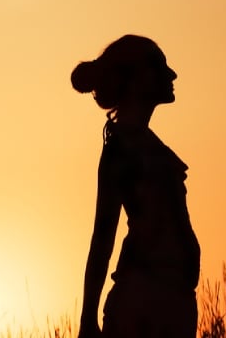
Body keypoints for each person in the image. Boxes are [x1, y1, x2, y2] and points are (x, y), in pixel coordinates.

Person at [73, 35, 200, 338]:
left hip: (173, 302)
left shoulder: (147, 145)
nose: (171, 75)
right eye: (159, 66)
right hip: (142, 307)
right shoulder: (120, 150)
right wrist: (88, 321)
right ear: (132, 79)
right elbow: (102, 239)